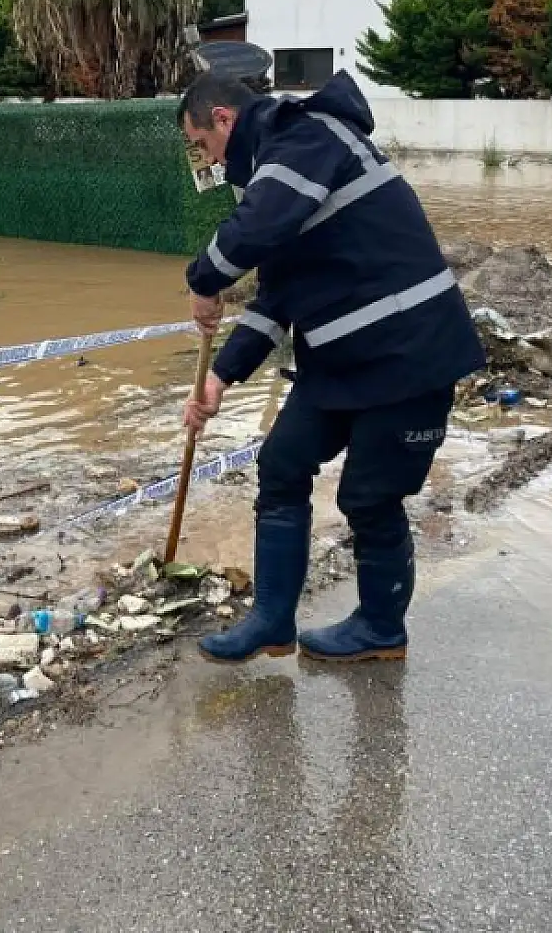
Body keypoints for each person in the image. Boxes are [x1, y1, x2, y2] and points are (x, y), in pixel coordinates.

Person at [178, 68, 485, 663]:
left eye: (203, 145)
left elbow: (255, 228)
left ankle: (379, 629)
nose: (208, 161)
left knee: (369, 498)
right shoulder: (284, 174)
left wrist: (202, 279)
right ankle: (271, 620)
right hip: (343, 364)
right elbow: (278, 295)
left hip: (408, 357)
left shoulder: (307, 137)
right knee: (282, 464)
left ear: (224, 120)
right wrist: (219, 380)